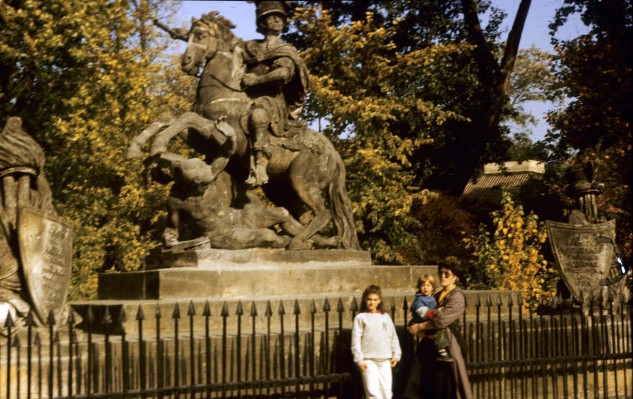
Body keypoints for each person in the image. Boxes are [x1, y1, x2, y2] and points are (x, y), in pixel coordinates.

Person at [241, 0, 310, 186]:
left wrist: (255, 80)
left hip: (272, 100)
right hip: (245, 96)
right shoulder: (250, 46)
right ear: (263, 22)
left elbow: (283, 74)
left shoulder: (285, 49)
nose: (278, 20)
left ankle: (260, 166)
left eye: (280, 17)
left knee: (259, 115)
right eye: (272, 17)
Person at [404, 261, 473, 399]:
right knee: (429, 385)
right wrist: (418, 328)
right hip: (430, 346)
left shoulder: (457, 297)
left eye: (446, 273)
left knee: (447, 385)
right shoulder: (435, 296)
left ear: (455, 277)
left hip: (447, 345)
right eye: (440, 273)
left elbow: (441, 321)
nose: (442, 276)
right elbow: (417, 316)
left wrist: (420, 327)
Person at [351, 285, 402, 399]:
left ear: (379, 301)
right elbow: (356, 341)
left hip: (385, 361)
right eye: (369, 299)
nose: (372, 302)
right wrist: (359, 360)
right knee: (373, 393)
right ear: (365, 300)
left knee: (387, 394)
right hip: (369, 361)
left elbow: (393, 337)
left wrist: (396, 355)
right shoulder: (360, 317)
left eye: (375, 300)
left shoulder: (385, 317)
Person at [410, 274, 452, 362]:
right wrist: (436, 312)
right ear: (419, 287)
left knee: (433, 336)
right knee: (438, 330)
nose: (425, 288)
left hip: (428, 320)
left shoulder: (430, 297)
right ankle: (442, 352)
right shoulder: (420, 300)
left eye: (428, 285)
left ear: (432, 287)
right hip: (421, 321)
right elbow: (424, 313)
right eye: (423, 285)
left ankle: (425, 352)